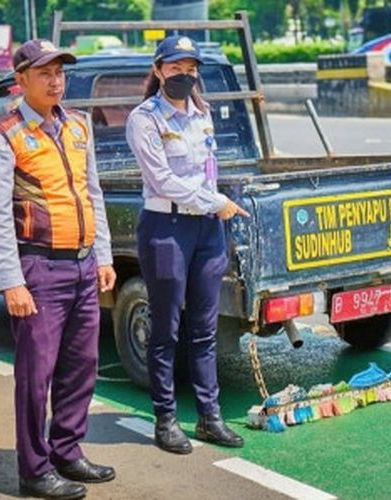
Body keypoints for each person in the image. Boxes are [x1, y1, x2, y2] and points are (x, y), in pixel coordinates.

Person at [0, 39, 117, 499]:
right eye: (44, 72)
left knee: (83, 366)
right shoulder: (3, 136)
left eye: (60, 71)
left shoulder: (78, 125)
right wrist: (11, 279)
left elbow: (92, 192)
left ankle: (67, 451)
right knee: (35, 375)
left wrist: (103, 255)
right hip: (38, 269)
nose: (56, 79)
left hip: (81, 266)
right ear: (20, 81)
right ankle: (33, 470)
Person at [126, 35, 249, 454]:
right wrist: (218, 202)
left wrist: (215, 205)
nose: (184, 75)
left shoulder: (203, 113)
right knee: (165, 329)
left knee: (204, 328)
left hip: (207, 230)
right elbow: (163, 181)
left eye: (190, 68)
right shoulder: (145, 119)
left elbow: (207, 170)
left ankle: (209, 418)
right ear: (158, 70)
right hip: (167, 228)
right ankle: (165, 419)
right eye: (175, 68)